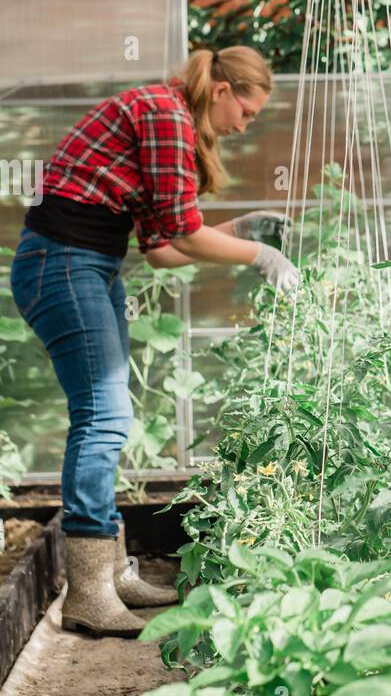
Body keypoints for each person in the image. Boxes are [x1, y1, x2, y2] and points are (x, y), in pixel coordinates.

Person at [10, 46, 297, 638]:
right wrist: (259, 252)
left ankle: (110, 573)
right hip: (63, 264)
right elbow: (186, 241)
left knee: (108, 415)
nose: (247, 124)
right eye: (247, 110)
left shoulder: (165, 113)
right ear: (221, 91)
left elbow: (163, 248)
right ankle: (87, 590)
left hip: (88, 265)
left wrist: (242, 231)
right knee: (103, 414)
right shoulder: (164, 113)